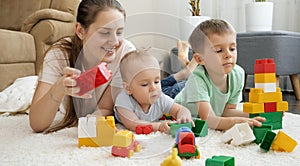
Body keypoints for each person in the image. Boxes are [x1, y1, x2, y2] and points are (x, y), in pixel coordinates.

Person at [29, 0, 135, 133]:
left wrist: (90, 124)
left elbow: (105, 107)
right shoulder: (59, 54)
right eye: (104, 32)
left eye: (119, 32)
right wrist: (57, 89)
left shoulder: (125, 53)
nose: (114, 41)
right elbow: (37, 124)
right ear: (80, 30)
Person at [174, 19, 266, 131]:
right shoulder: (197, 80)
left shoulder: (238, 74)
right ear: (200, 59)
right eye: (218, 50)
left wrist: (257, 115)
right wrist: (239, 122)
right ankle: (183, 68)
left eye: (232, 48)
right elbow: (209, 119)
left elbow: (226, 112)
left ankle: (184, 68)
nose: (228, 54)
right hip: (177, 97)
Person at [114, 49, 194, 134]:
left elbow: (180, 109)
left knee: (180, 87)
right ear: (128, 88)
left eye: (156, 81)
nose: (153, 88)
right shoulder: (124, 100)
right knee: (175, 89)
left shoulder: (160, 98)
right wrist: (158, 126)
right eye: (144, 84)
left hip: (163, 91)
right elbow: (133, 123)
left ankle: (184, 75)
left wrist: (184, 116)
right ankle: (182, 75)